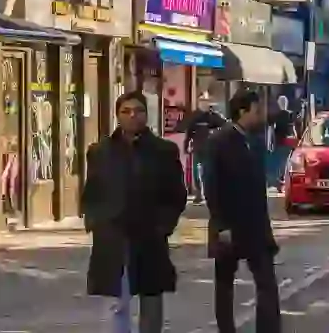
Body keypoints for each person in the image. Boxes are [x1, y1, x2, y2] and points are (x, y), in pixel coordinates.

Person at [82, 91, 188, 333]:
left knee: (151, 300)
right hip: (112, 236)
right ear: (117, 116)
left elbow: (176, 194)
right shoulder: (100, 151)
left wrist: (164, 225)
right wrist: (96, 222)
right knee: (115, 302)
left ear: (147, 114)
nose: (132, 116)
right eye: (126, 111)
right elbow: (92, 191)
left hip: (149, 235)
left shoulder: (163, 151)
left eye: (138, 111)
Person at [205, 89, 282, 333]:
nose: (262, 116)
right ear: (243, 111)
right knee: (225, 284)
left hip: (256, 227)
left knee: (267, 283)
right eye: (257, 111)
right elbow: (212, 185)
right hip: (229, 225)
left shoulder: (255, 140)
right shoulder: (219, 141)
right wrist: (221, 224)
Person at [183, 103, 226, 204]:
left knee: (207, 172)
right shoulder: (195, 117)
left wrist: (215, 134)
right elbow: (189, 132)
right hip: (197, 148)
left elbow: (225, 125)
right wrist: (186, 146)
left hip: (209, 149)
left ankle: (208, 194)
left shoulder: (213, 116)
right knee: (196, 172)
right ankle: (199, 193)